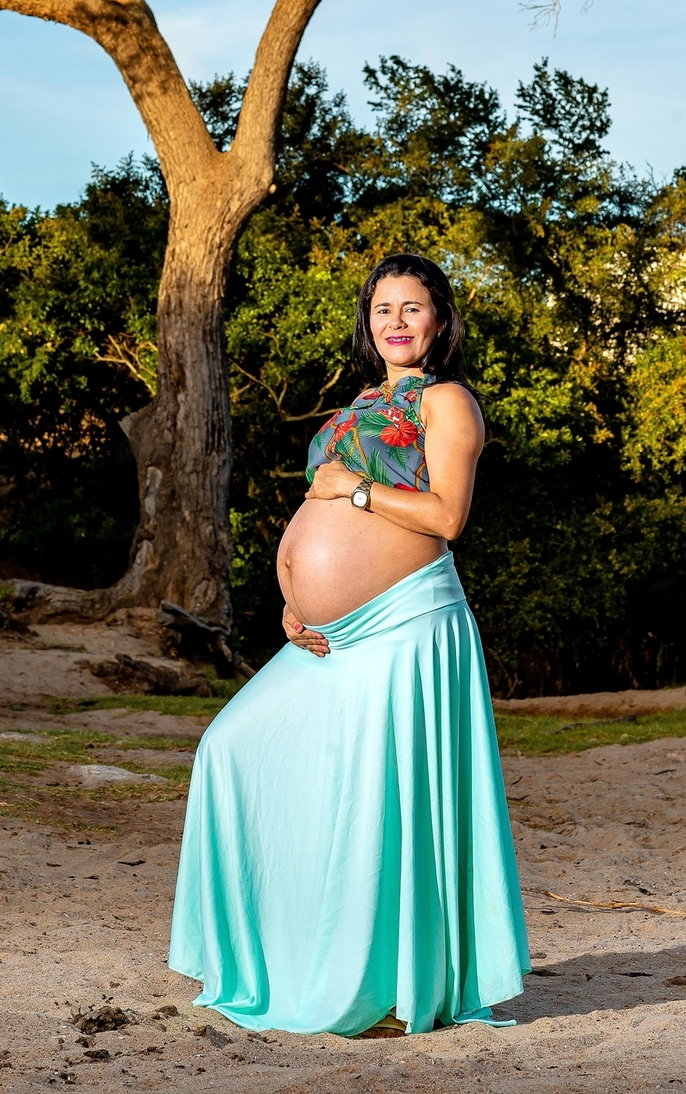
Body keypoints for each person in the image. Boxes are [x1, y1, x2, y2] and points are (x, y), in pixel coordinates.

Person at [169, 253, 530, 1036]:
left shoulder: (448, 401)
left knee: (380, 803)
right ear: (368, 323)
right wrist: (295, 598)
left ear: (439, 319)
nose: (396, 322)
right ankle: (296, 960)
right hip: (328, 635)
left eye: (412, 307)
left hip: (404, 622)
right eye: (382, 309)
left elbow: (446, 517)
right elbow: (319, 510)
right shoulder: (360, 403)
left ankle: (389, 989)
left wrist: (355, 489)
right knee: (230, 747)